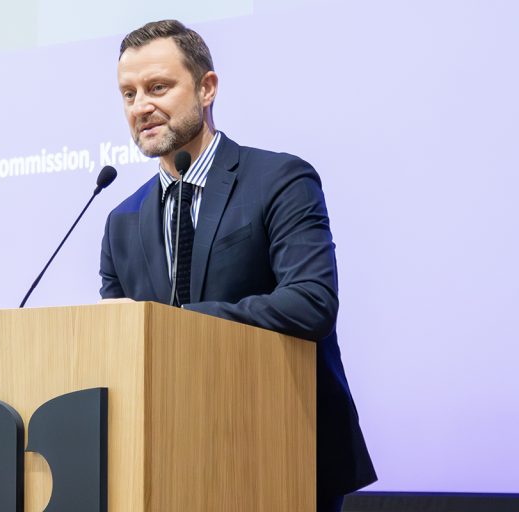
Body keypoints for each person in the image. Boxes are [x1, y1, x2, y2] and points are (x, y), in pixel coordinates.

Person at [99, 20, 377, 511]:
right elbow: (121, 349)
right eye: (128, 94)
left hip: (281, 452)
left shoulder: (279, 179)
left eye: (157, 87)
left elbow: (310, 303)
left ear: (206, 88)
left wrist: (175, 324)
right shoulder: (122, 220)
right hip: (168, 462)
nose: (140, 107)